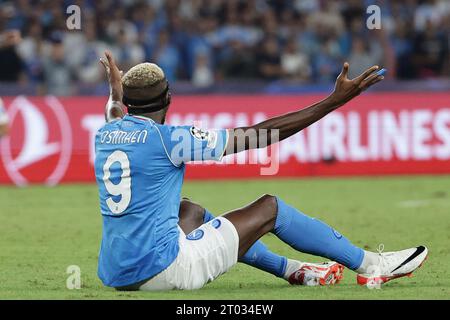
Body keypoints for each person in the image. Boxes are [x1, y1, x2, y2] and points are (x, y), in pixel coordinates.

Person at [94, 51, 427, 291]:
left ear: (127, 107)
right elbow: (261, 134)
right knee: (271, 208)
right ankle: (371, 265)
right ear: (169, 99)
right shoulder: (171, 140)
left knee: (189, 211)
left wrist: (114, 91)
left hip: (117, 274)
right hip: (167, 271)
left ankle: (295, 271)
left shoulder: (107, 133)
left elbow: (113, 112)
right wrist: (333, 102)